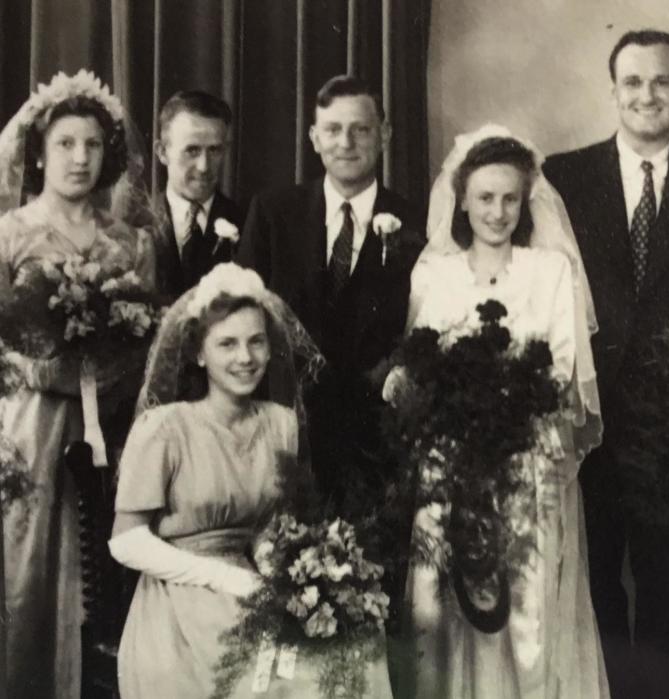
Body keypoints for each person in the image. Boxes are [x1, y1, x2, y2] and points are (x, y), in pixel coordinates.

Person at [391, 125, 608, 698]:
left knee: (527, 605)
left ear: (526, 200)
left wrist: (507, 399)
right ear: (462, 199)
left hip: (526, 460)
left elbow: (562, 365)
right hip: (452, 463)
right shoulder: (434, 273)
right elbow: (415, 365)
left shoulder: (550, 271)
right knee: (452, 600)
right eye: (485, 198)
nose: (498, 211)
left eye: (510, 198)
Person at [108, 263, 392, 698]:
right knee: (268, 681)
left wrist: (293, 573)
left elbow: (270, 525)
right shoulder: (165, 427)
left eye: (256, 342)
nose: (245, 358)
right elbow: (125, 541)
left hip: (255, 583)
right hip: (180, 598)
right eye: (227, 344)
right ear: (199, 353)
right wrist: (223, 579)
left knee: (350, 645)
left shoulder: (280, 423)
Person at [541, 29, 669, 697]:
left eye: (662, 82)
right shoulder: (565, 173)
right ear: (613, 90)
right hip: (593, 412)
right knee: (595, 573)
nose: (648, 95)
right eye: (634, 83)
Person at [0, 70, 154, 699]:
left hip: (110, 425)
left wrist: (108, 370)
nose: (80, 158)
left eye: (92, 145)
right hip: (30, 423)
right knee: (26, 561)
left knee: (104, 558)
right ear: (39, 151)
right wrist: (47, 368)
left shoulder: (131, 242)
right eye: (65, 144)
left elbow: (148, 333)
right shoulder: (10, 233)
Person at [237, 75, 423, 514]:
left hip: (375, 442)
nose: (346, 142)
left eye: (360, 128)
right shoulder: (272, 212)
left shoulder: (417, 221)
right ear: (314, 138)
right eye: (333, 130)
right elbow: (243, 316)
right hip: (285, 429)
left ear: (384, 134)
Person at [152, 90, 244, 298]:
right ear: (162, 152)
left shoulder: (248, 224)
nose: (204, 167)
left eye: (214, 151)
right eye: (192, 150)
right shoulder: (132, 224)